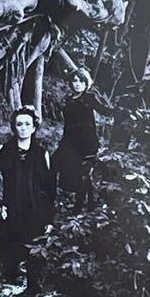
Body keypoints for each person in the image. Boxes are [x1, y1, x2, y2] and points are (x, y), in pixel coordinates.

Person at [0, 106, 55, 297]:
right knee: (7, 247)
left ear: (34, 127)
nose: (23, 128)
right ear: (14, 127)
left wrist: (49, 219)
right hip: (11, 209)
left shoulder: (41, 153)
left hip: (35, 210)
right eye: (19, 124)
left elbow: (50, 189)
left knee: (34, 252)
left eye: (28, 124)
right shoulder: (4, 151)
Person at [52, 67, 113, 211]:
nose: (77, 84)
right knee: (55, 165)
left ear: (86, 84)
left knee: (83, 172)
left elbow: (104, 110)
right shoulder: (68, 100)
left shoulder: (89, 98)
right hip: (69, 141)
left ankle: (82, 204)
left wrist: (118, 108)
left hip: (86, 141)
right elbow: (67, 123)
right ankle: (56, 199)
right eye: (75, 81)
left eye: (81, 81)